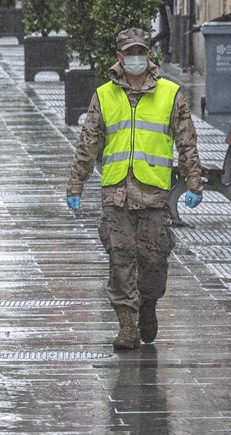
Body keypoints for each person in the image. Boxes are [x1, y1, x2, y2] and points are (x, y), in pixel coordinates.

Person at [65, 28, 205, 351]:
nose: (135, 58)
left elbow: (186, 142)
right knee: (120, 258)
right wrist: (76, 182)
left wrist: (193, 181)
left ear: (149, 55)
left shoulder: (170, 95)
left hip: (154, 196)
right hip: (116, 195)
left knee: (154, 260)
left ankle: (148, 304)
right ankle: (127, 325)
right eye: (129, 53)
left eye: (140, 51)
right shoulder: (104, 96)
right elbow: (87, 144)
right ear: (119, 57)